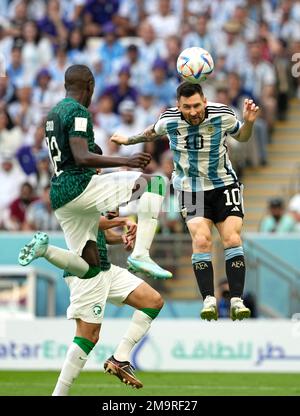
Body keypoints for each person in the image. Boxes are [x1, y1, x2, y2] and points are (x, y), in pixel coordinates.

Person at [110, 81, 260, 321]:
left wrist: (250, 122)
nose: (192, 112)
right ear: (178, 106)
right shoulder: (169, 120)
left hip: (224, 185)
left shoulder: (222, 114)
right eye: (186, 107)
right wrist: (128, 141)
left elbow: (242, 137)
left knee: (232, 238)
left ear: (205, 101)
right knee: (201, 239)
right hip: (190, 189)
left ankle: (236, 300)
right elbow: (150, 132)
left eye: (197, 105)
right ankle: (209, 299)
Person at [18, 64, 172, 280]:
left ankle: (45, 250)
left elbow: (73, 151)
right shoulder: (78, 111)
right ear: (90, 86)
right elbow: (82, 156)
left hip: (60, 196)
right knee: (155, 183)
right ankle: (141, 255)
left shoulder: (53, 113)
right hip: (79, 186)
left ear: (65, 86)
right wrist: (127, 160)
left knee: (89, 267)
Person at [52, 213, 164, 395]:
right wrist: (123, 220)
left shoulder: (97, 193)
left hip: (106, 268)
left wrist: (121, 237)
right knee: (88, 337)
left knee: (153, 301)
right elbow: (90, 220)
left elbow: (100, 232)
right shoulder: (77, 192)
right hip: (86, 272)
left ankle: (119, 358)